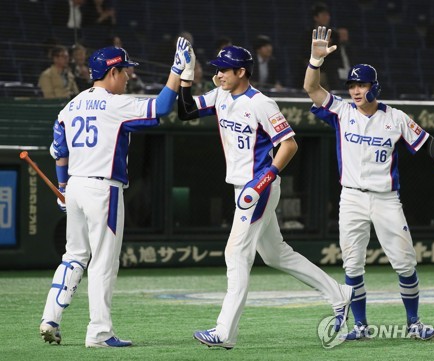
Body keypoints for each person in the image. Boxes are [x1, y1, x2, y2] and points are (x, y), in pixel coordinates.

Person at [177, 44, 353, 349]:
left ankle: (224, 332)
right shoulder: (220, 94)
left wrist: (263, 181)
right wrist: (186, 76)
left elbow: (289, 145)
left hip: (258, 187)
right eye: (216, 69)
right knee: (275, 254)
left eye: (223, 70)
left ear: (241, 72)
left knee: (236, 254)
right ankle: (339, 294)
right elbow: (185, 111)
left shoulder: (261, 103)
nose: (218, 74)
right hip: (243, 187)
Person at [303, 27, 434, 341]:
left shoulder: (396, 117)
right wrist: (315, 60)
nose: (356, 90)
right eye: (352, 85)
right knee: (352, 266)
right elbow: (311, 88)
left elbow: (427, 141)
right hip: (351, 198)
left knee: (404, 263)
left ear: (374, 86)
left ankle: (414, 323)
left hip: (386, 199)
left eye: (362, 84)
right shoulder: (341, 112)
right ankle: (361, 327)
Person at [39, 37, 193, 347]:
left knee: (74, 257)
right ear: (111, 73)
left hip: (77, 186)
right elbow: (161, 107)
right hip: (102, 188)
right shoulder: (114, 103)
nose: (128, 76)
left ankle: (50, 318)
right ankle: (99, 333)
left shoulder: (71, 105)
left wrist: (63, 189)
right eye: (124, 71)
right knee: (104, 261)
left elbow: (59, 150)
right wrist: (176, 69)